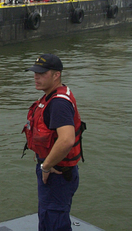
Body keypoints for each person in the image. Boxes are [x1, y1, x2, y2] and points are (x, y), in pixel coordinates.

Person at [23, 54, 85, 231]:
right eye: (35, 73)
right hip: (55, 172)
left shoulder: (58, 104)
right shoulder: (52, 96)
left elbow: (66, 140)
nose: (36, 77)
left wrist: (46, 166)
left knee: (53, 222)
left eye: (42, 73)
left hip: (57, 175)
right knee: (49, 218)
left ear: (56, 75)